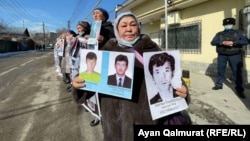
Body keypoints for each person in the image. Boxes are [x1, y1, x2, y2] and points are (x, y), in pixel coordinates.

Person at [72, 12, 191, 141]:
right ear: (117, 30)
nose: (129, 29)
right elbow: (91, 82)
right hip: (114, 124)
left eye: (133, 25)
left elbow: (172, 78)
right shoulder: (106, 52)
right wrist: (79, 84)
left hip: (147, 121)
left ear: (138, 28)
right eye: (123, 26)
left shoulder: (152, 49)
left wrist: (182, 90)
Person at [211, 17, 249, 99]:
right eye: (226, 24)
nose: (228, 25)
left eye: (229, 24)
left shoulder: (238, 32)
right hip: (222, 55)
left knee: (237, 73)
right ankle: (219, 85)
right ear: (224, 25)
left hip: (234, 55)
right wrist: (222, 42)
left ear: (233, 24)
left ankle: (240, 90)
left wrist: (233, 42)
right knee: (220, 70)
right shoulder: (219, 34)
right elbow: (213, 42)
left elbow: (246, 41)